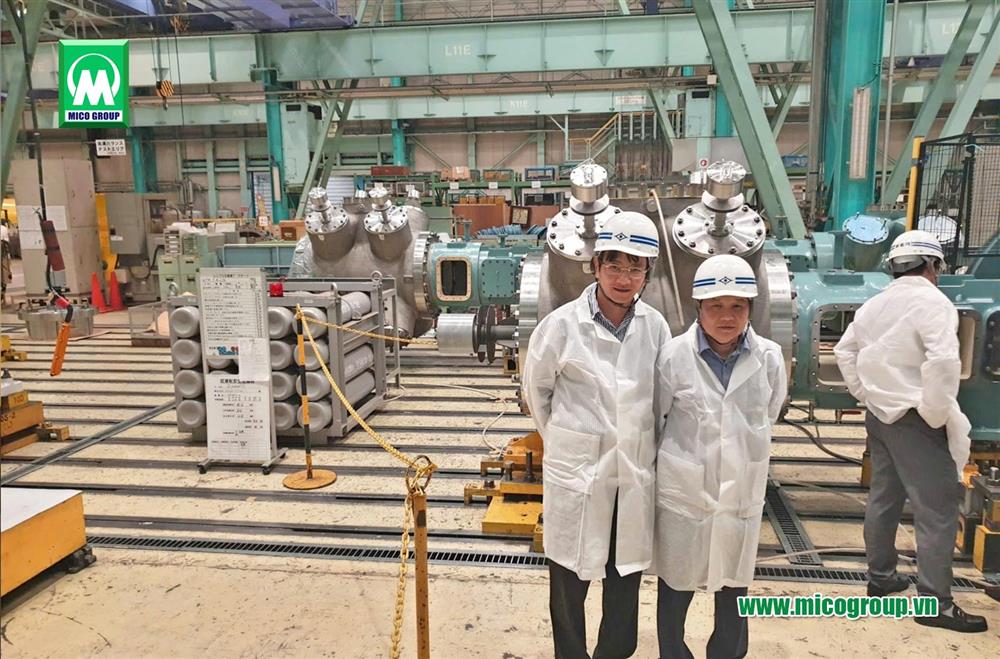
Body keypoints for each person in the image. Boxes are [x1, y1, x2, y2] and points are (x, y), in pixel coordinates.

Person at [523, 211, 671, 658]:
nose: (624, 278)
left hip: (632, 475)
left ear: (647, 273)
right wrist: (571, 442)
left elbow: (662, 400)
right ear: (595, 266)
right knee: (568, 582)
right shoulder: (561, 325)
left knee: (624, 580)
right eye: (614, 265)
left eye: (635, 268)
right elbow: (537, 392)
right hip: (578, 475)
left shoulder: (656, 327)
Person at [833, 229, 987, 633]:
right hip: (915, 418)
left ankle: (881, 577)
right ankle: (936, 603)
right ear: (933, 265)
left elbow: (844, 350)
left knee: (885, 498)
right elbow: (944, 362)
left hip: (880, 415)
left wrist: (866, 394)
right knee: (937, 509)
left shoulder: (875, 304)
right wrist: (934, 413)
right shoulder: (933, 302)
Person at [653, 255, 786, 659]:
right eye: (715, 306)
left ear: (750, 309)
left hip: (740, 493)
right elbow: (657, 418)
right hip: (685, 493)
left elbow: (770, 412)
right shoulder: (673, 356)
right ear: (698, 308)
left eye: (737, 306)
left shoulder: (769, 358)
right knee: (675, 587)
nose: (727, 317)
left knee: (734, 589)